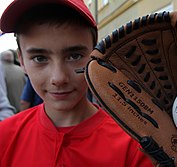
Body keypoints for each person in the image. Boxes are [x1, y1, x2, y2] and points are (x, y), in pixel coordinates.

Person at [0, 0, 154, 167]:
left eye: (74, 56)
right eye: (40, 58)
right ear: (21, 60)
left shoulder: (135, 145)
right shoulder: (4, 137)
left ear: (96, 55)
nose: (58, 78)